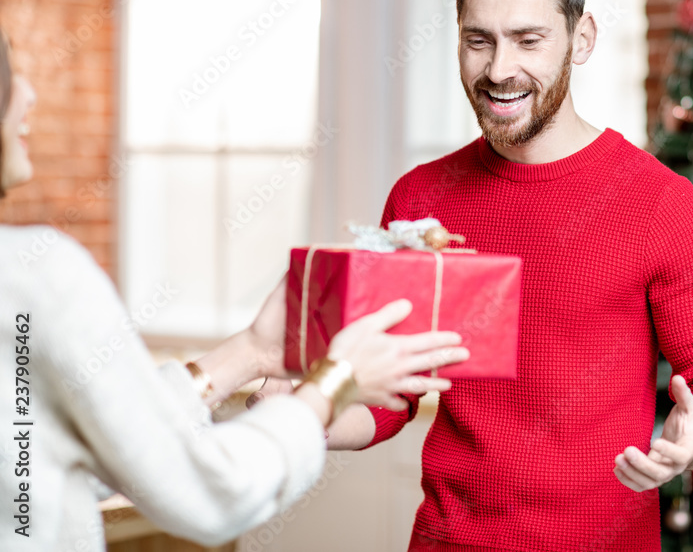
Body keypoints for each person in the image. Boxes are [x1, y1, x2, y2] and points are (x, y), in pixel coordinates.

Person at [255, 0, 693, 551]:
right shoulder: (421, 197)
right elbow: (394, 397)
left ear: (581, 40)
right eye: (479, 41)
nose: (499, 70)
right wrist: (300, 415)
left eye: (529, 40)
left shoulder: (660, 204)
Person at [0, 29, 470, 551]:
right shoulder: (36, 274)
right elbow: (210, 493)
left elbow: (55, 466)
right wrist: (333, 382)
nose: (28, 93)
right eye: (6, 74)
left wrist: (251, 351)